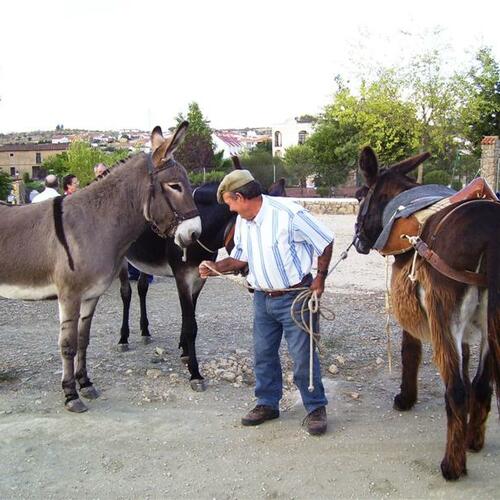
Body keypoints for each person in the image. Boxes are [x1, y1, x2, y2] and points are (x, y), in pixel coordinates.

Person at [199, 170, 333, 436]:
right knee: (263, 354)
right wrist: (214, 266)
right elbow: (239, 259)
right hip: (262, 299)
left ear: (241, 197)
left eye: (229, 202)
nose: (228, 207)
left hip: (296, 297)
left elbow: (325, 241)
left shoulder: (288, 214)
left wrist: (320, 278)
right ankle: (267, 404)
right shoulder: (243, 222)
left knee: (303, 356)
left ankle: (316, 407)